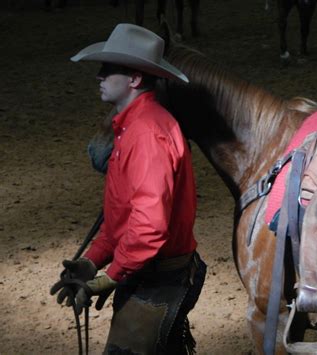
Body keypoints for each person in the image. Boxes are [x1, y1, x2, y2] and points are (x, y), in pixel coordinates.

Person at [50, 23, 206, 354]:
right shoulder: (132, 127)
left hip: (159, 279)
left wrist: (112, 274)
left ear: (134, 79)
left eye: (108, 70)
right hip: (148, 271)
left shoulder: (146, 133)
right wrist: (93, 260)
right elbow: (121, 214)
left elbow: (149, 226)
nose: (99, 76)